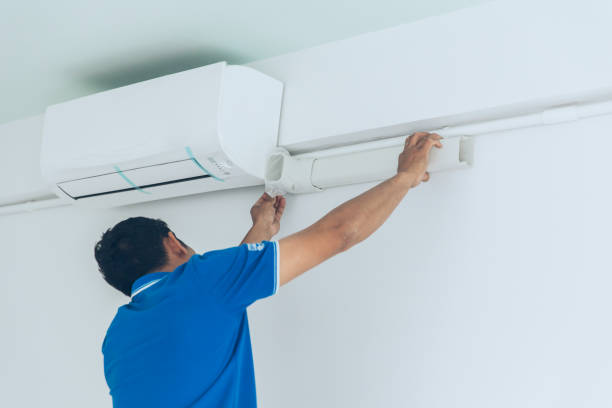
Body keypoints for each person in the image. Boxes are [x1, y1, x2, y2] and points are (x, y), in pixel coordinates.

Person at [96, 132, 443, 407]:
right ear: (173, 242)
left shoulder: (117, 336)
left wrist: (262, 233)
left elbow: (220, 300)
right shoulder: (202, 282)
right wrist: (405, 177)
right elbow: (338, 235)